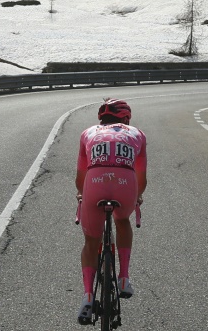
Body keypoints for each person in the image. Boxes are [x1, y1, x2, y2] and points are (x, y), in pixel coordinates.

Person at [76, 99, 148, 325]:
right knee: (123, 220)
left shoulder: (87, 133)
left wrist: (81, 194)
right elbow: (141, 176)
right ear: (126, 118)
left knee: (91, 241)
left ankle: (88, 297)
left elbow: (80, 176)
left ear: (101, 118)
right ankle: (124, 277)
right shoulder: (138, 134)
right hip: (126, 185)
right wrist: (137, 197)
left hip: (94, 183)